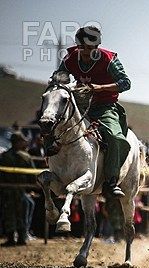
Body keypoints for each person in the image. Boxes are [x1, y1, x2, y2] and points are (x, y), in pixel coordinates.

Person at [49, 25, 131, 198]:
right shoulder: (70, 58)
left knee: (115, 137)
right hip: (79, 105)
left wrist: (100, 88)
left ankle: (110, 181)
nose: (86, 51)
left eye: (90, 48)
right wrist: (60, 81)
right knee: (49, 122)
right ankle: (53, 170)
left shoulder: (109, 59)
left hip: (104, 106)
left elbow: (125, 83)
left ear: (96, 46)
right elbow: (59, 77)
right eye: (82, 47)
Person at [0, 133, 34, 246]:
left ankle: (11, 239)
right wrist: (31, 188)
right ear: (17, 142)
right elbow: (32, 176)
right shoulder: (26, 157)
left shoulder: (4, 156)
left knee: (10, 214)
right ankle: (21, 238)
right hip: (21, 190)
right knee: (21, 214)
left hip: (8, 189)